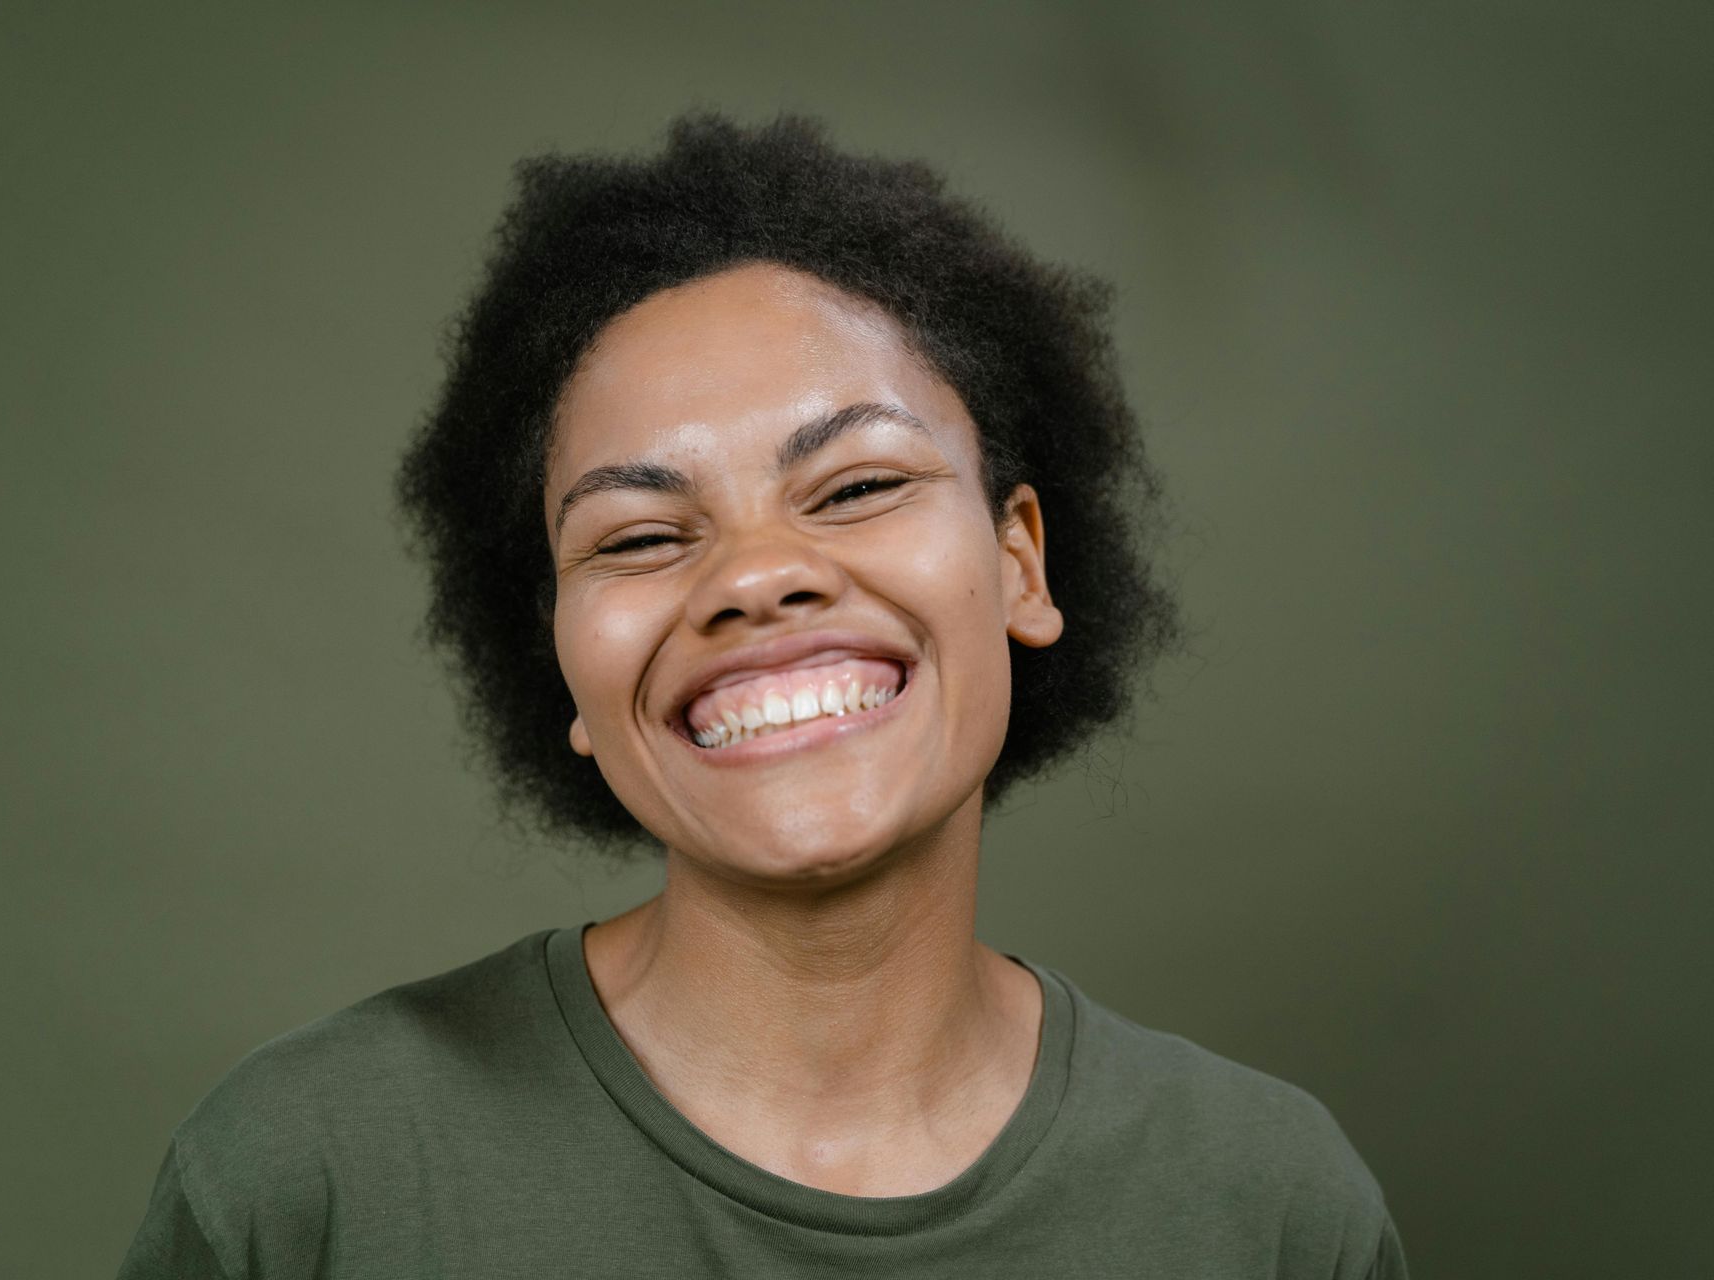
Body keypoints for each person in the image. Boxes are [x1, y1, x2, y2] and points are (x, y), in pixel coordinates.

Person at [117, 113, 1407, 1278]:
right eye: (635, 536)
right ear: (562, 664)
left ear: (1020, 561)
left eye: (855, 487)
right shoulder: (309, 1178)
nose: (758, 577)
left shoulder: (1267, 1204)